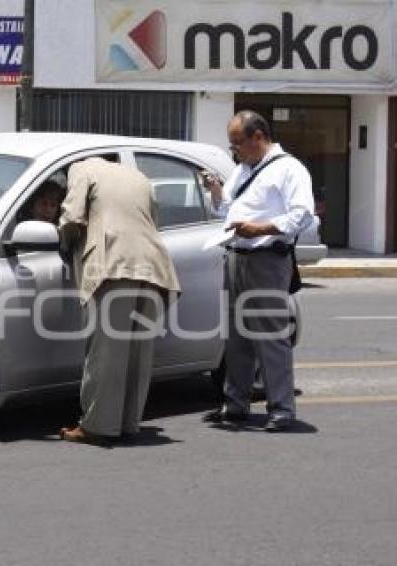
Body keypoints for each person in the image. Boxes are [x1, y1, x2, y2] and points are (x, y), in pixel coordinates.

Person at [203, 110, 314, 432]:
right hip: (236, 254)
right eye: (232, 145)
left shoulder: (289, 169)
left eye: (238, 143)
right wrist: (216, 192)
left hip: (266, 257)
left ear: (258, 137)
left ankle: (281, 408)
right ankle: (235, 403)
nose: (235, 150)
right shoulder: (242, 170)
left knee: (269, 335)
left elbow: (302, 215)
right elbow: (228, 210)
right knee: (236, 336)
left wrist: (261, 228)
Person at [58, 157, 180, 444]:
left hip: (111, 263)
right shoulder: (139, 177)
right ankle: (127, 422)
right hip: (152, 264)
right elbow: (152, 220)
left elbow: (71, 217)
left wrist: (66, 247)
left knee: (107, 351)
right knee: (138, 350)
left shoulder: (81, 169)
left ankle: (98, 426)